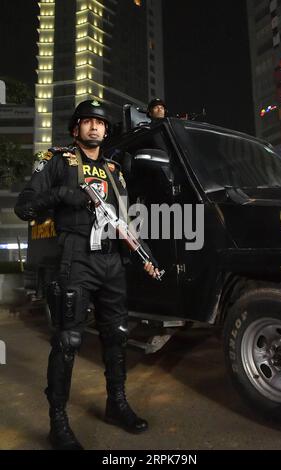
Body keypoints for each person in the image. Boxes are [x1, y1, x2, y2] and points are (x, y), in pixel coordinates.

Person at [14, 99, 159, 450]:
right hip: (75, 257)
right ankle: (58, 423)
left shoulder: (114, 169)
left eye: (100, 123)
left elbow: (125, 219)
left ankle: (116, 403)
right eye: (87, 121)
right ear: (76, 128)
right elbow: (24, 205)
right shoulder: (57, 160)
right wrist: (64, 194)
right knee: (68, 341)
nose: (95, 127)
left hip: (111, 261)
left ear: (107, 131)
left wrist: (144, 254)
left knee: (117, 334)